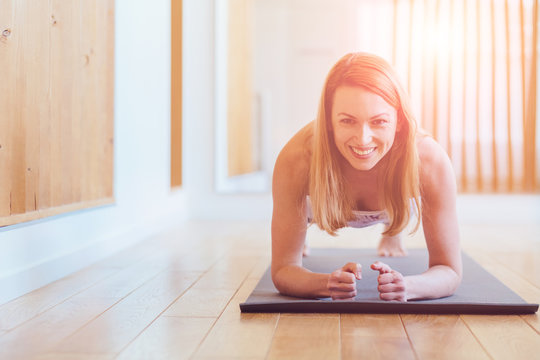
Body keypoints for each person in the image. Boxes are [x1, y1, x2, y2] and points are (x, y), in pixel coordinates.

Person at [271, 52, 462, 302]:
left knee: (398, 206)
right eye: (348, 121)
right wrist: (324, 283)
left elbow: (450, 271)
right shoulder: (297, 159)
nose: (363, 139)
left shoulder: (429, 161)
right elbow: (283, 270)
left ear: (399, 121)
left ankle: (392, 231)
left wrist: (409, 286)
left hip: (397, 200)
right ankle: (304, 236)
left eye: (379, 121)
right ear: (328, 120)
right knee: (298, 238)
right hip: (319, 206)